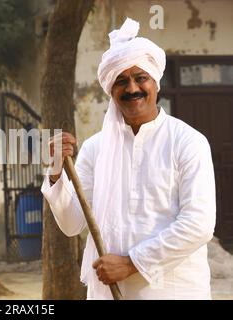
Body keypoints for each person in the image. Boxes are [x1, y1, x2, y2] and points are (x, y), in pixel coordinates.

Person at [41, 17, 216, 300]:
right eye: (121, 81)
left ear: (155, 83)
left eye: (140, 77)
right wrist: (56, 171)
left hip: (174, 291)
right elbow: (72, 223)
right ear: (111, 90)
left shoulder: (188, 142)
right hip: (108, 293)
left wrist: (131, 263)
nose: (132, 88)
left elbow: (198, 224)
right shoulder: (96, 149)